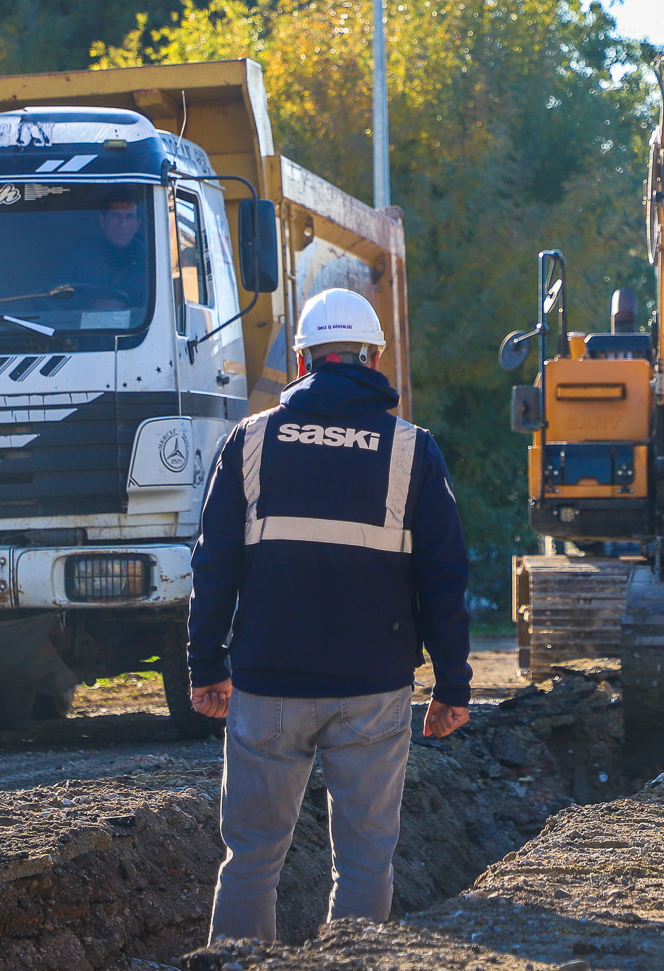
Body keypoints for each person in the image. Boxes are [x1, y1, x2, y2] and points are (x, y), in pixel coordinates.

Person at [186, 287, 471, 944]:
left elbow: (214, 562)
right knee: (366, 859)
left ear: (301, 356)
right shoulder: (411, 449)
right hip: (373, 687)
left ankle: (235, 961)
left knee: (251, 859)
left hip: (267, 684)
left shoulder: (249, 440)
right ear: (373, 356)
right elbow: (444, 576)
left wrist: (206, 663)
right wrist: (452, 684)